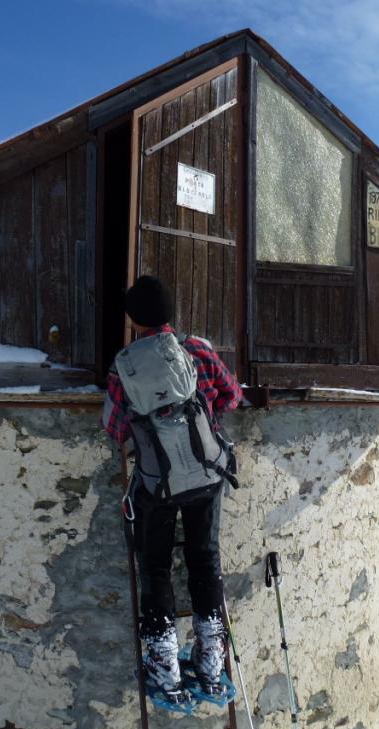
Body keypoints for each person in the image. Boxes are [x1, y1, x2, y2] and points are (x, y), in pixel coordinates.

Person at [102, 275, 243, 704]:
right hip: (206, 477)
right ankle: (211, 663)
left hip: (157, 485)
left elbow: (115, 428)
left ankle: (164, 665)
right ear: (170, 312)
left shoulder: (123, 365)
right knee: (205, 560)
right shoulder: (197, 349)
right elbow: (231, 396)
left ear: (132, 319)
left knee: (156, 566)